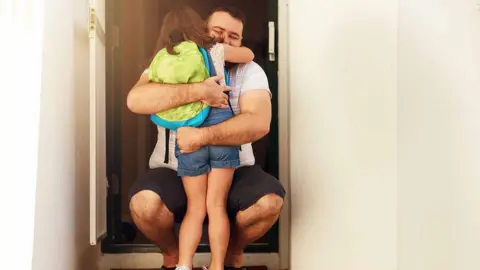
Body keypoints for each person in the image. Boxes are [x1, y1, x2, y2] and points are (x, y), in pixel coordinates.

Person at [127, 6, 286, 270]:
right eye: (218, 31)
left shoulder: (248, 71)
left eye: (234, 36)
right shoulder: (173, 59)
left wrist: (200, 136)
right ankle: (177, 256)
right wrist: (200, 90)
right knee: (152, 204)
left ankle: (228, 254)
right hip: (172, 168)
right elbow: (135, 99)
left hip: (233, 166)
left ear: (241, 40)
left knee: (264, 202)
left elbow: (259, 123)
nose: (225, 40)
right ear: (202, 29)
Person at [146, 6, 255, 270]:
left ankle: (184, 265)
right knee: (216, 206)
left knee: (196, 208)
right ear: (201, 27)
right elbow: (248, 54)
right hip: (219, 124)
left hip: (188, 130)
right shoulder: (214, 49)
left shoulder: (162, 59)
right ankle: (217, 266)